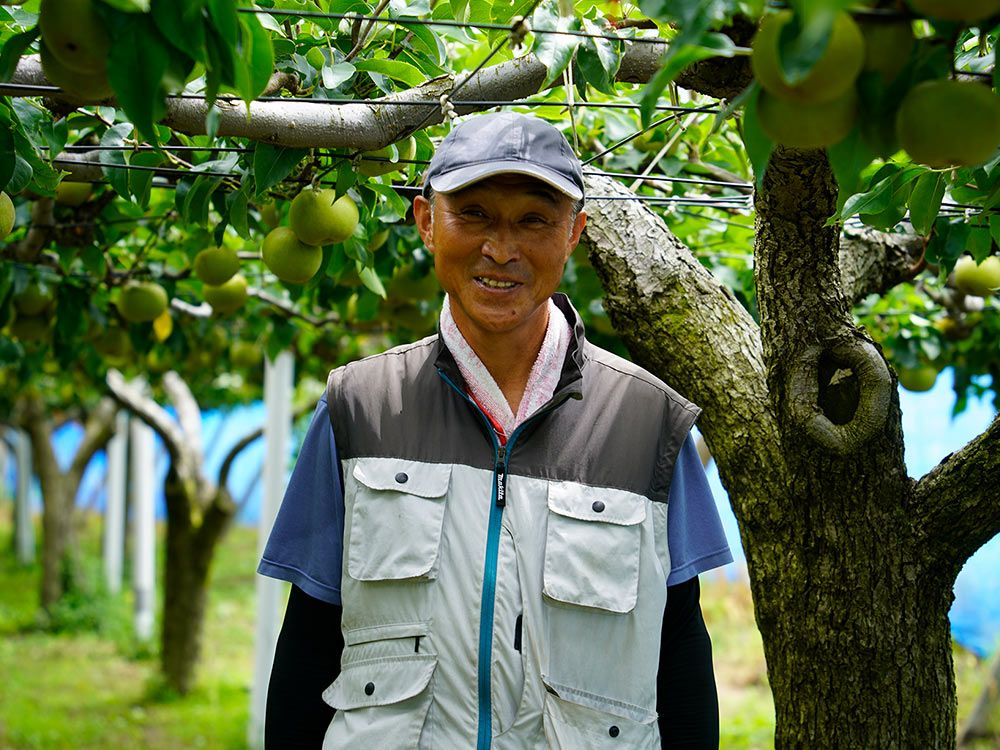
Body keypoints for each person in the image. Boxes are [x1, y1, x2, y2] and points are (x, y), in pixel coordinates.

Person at [258, 111, 733, 749]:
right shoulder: (359, 406)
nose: (502, 249)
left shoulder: (648, 420)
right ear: (427, 221)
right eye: (474, 214)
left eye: (534, 220)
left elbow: (679, 651)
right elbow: (310, 637)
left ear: (574, 234)